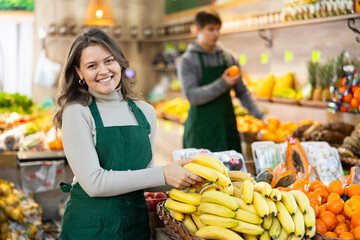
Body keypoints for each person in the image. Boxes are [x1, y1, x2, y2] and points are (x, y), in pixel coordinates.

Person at [53, 27, 204, 240]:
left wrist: (182, 176)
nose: (103, 71)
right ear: (79, 72)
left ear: (120, 63)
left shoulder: (145, 111)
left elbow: (144, 175)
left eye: (109, 61)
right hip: (89, 227)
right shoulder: (77, 112)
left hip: (134, 225)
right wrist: (162, 173)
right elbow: (94, 183)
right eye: (92, 65)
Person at [177, 10, 264, 153]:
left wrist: (260, 116)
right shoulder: (188, 60)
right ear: (198, 29)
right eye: (211, 29)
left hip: (226, 128)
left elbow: (242, 91)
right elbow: (192, 96)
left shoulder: (228, 58)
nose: (216, 34)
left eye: (218, 29)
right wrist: (224, 83)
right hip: (201, 131)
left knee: (232, 173)